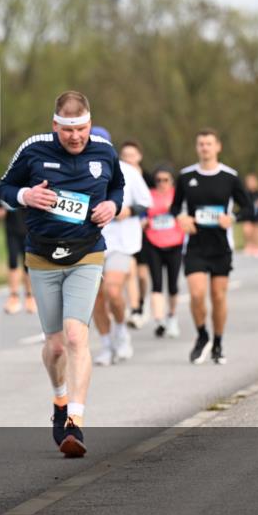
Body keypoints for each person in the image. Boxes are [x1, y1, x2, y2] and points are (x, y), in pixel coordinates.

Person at [0, 90, 124, 457]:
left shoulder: (104, 151)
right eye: (69, 130)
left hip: (86, 253)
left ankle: (76, 421)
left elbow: (117, 186)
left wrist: (111, 206)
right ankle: (59, 401)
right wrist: (25, 196)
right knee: (54, 346)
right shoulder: (34, 149)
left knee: (75, 336)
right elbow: (3, 189)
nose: (76, 137)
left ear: (89, 123)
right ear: (56, 126)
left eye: (82, 129)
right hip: (42, 256)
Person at [171, 129, 252, 365]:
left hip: (220, 246)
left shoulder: (230, 176)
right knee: (196, 294)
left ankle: (218, 342)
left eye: (209, 144)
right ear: (197, 148)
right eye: (201, 144)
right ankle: (202, 336)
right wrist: (181, 219)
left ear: (218, 147)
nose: (205, 148)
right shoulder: (186, 176)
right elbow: (175, 208)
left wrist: (233, 218)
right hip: (195, 245)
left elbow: (249, 207)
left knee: (218, 296)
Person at [92, 139, 152, 365]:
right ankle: (107, 346)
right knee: (96, 298)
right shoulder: (79, 172)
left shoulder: (127, 171)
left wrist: (129, 210)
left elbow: (146, 202)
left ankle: (121, 332)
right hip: (91, 243)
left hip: (122, 243)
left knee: (113, 290)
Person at [117, 139, 153, 328]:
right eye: (125, 156)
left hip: (147, 231)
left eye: (132, 156)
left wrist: (147, 218)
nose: (129, 159)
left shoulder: (148, 178)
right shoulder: (119, 174)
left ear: (139, 156)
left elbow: (154, 202)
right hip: (126, 233)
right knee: (127, 270)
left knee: (141, 273)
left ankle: (141, 302)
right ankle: (133, 306)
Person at [145, 164, 185, 339]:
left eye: (166, 180)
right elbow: (143, 215)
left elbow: (185, 215)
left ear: (172, 181)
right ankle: (159, 320)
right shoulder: (149, 196)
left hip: (175, 244)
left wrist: (174, 210)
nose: (162, 183)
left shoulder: (179, 196)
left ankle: (172, 317)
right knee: (156, 284)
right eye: (158, 180)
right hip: (154, 243)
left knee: (173, 285)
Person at [2, 204, 36, 315]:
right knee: (12, 261)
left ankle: (30, 297)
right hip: (11, 231)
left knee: (27, 264)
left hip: (28, 230)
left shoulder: (30, 186)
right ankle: (13, 297)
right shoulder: (5, 188)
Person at [240, 173, 258, 257]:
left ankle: (256, 247)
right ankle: (248, 246)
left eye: (252, 181)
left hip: (256, 215)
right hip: (247, 215)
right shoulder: (245, 192)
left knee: (255, 232)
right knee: (246, 230)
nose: (250, 183)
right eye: (249, 181)